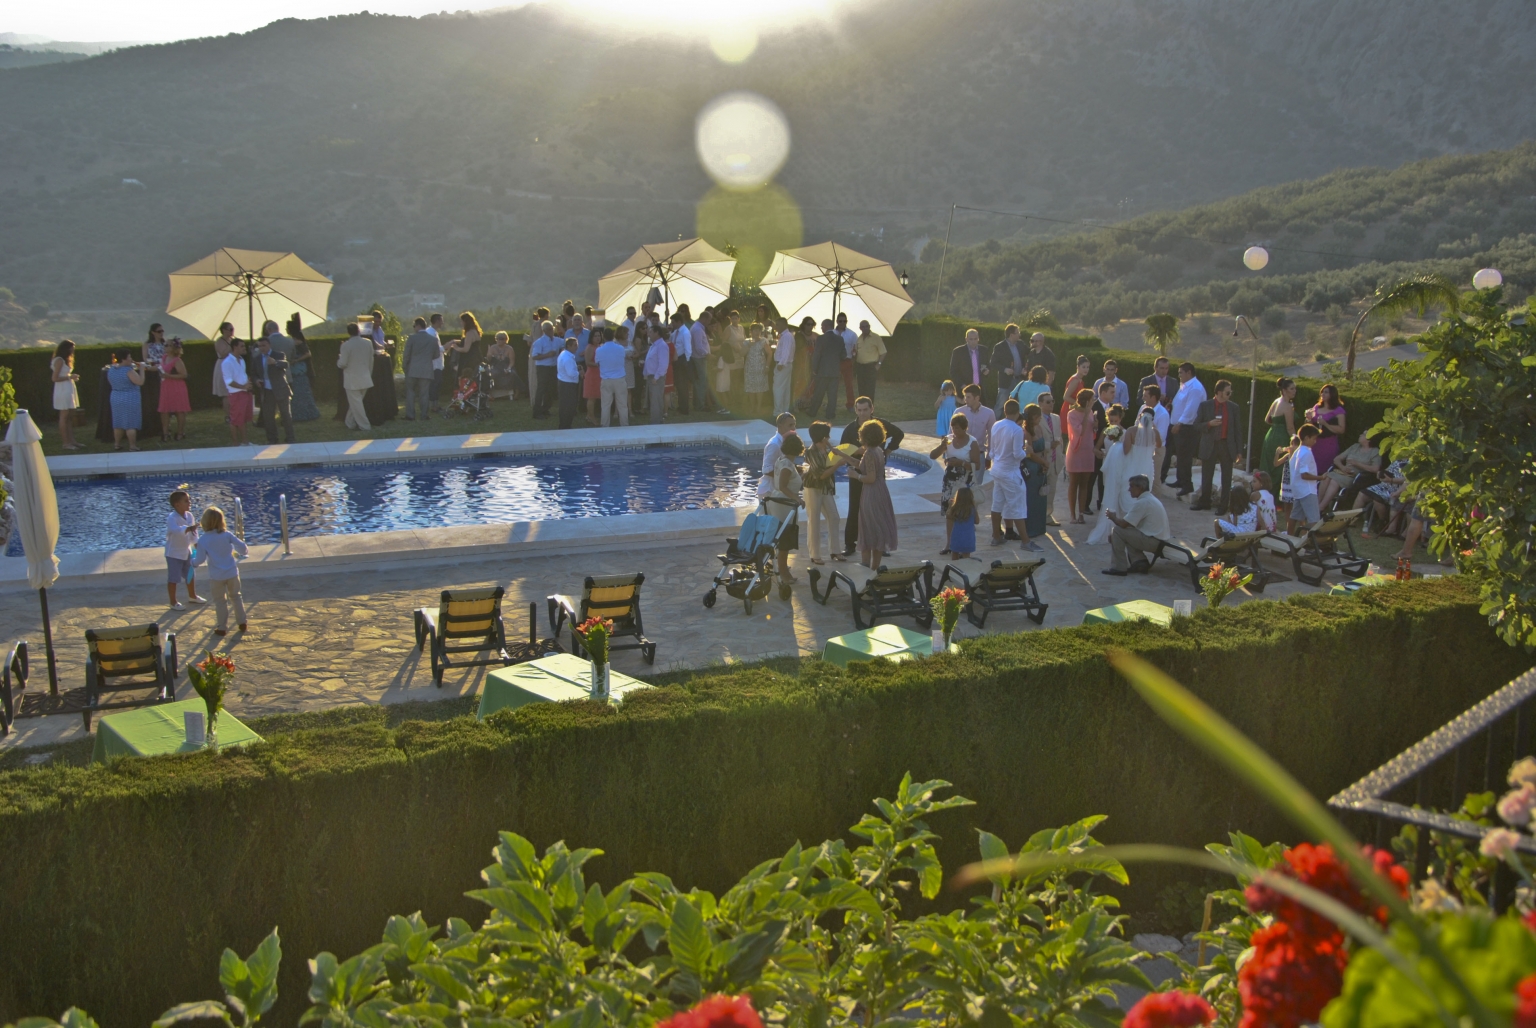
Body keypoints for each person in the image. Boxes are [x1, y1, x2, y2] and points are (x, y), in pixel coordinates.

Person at [839, 397, 904, 556]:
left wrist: (888, 450)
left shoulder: (879, 425)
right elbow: (844, 449)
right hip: (858, 473)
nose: (862, 413)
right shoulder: (850, 429)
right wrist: (858, 453)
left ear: (871, 409)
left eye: (865, 410)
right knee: (855, 507)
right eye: (859, 410)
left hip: (876, 473)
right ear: (856, 410)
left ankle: (880, 545)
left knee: (876, 508)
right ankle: (850, 544)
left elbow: (899, 434)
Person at [846, 419, 899, 567]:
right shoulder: (878, 450)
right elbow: (861, 465)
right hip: (882, 491)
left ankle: (865, 564)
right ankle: (875, 567)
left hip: (871, 493)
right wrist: (842, 455)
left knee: (868, 527)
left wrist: (854, 476)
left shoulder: (869, 453)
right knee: (877, 529)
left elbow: (870, 477)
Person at [930, 411, 982, 554]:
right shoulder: (948, 440)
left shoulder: (972, 442)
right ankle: (949, 544)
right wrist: (942, 447)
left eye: (957, 428)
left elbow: (977, 465)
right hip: (950, 481)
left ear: (965, 428)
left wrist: (960, 463)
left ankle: (964, 543)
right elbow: (932, 456)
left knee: (965, 511)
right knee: (950, 513)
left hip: (965, 481)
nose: (954, 431)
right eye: (953, 428)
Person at [192, 506, 248, 636]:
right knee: (236, 597)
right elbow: (243, 548)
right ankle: (242, 622)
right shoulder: (227, 535)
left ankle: (222, 627)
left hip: (216, 576)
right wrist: (240, 552)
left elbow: (199, 559)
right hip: (232, 573)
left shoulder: (203, 540)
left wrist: (192, 563)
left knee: (220, 602)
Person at [1101, 476, 1170, 575]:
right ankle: (1139, 562)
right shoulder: (1149, 498)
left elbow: (1123, 524)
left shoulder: (1142, 502)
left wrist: (1113, 517)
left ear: (1140, 488)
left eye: (1131, 486)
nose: (1129, 490)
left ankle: (1119, 567)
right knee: (1126, 533)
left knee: (1117, 531)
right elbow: (1130, 524)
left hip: (1154, 542)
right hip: (1159, 540)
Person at [1191, 379, 1241, 513]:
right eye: (1227, 392)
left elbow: (1237, 430)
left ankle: (1223, 506)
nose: (1230, 394)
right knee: (1206, 475)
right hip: (1209, 444)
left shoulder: (1233, 407)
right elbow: (1196, 425)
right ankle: (1204, 502)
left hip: (1226, 445)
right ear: (1219, 392)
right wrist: (1209, 424)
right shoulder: (1205, 406)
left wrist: (1239, 451)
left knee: (1226, 477)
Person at [802, 421, 847, 566]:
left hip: (825, 488)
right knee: (814, 520)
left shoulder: (826, 450)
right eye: (827, 436)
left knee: (834, 516)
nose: (829, 438)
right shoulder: (811, 452)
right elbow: (820, 475)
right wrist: (837, 465)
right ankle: (814, 554)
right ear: (822, 438)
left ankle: (835, 550)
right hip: (813, 488)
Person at [987, 398, 1029, 545]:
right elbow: (1017, 454)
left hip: (997, 468)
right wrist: (1027, 452)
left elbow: (992, 449)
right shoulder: (1017, 430)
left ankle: (996, 537)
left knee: (997, 504)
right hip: (1010, 471)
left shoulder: (996, 425)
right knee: (1017, 506)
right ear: (1017, 413)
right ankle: (1026, 541)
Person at [766, 432, 805, 583]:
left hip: (777, 502)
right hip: (784, 504)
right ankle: (784, 574)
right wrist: (797, 498)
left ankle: (781, 568)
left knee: (779, 537)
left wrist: (801, 477)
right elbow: (783, 486)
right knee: (784, 539)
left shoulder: (782, 460)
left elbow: (787, 483)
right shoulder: (788, 466)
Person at [1086, 404, 1127, 545]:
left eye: (1115, 421)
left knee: (1120, 492)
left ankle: (1119, 522)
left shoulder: (1125, 432)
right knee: (1108, 491)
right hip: (1108, 464)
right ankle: (1108, 521)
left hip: (1120, 466)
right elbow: (1096, 448)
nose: (1113, 424)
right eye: (1111, 421)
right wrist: (1100, 453)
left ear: (1120, 419)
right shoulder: (1105, 431)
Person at [1318, 428, 1380, 512]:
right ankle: (1317, 504)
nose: (1360, 435)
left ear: (1369, 439)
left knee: (1334, 480)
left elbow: (1375, 469)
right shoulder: (1355, 446)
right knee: (1325, 477)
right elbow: (1337, 459)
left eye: (1363, 434)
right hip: (1343, 472)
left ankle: (1321, 507)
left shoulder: (1375, 452)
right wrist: (1343, 467)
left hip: (1356, 478)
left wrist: (1357, 464)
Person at [1140, 356, 1180, 485]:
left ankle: (1162, 475)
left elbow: (1177, 401)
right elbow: (1138, 400)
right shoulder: (1146, 380)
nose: (1164, 371)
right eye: (1162, 368)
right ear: (1155, 368)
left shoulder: (1173, 382)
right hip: (1149, 423)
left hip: (1167, 418)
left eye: (1167, 368)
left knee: (1165, 447)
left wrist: (1168, 400)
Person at [1169, 362, 1207, 497]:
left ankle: (1187, 485)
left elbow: (1191, 409)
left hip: (1187, 428)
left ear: (1189, 373)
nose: (1179, 375)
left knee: (1185, 456)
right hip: (1180, 425)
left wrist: (1180, 423)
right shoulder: (1185, 385)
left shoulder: (1195, 388)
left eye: (1181, 373)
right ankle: (1180, 480)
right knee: (1180, 455)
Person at [164, 489, 205, 609]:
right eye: (186, 501)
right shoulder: (172, 518)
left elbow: (194, 535)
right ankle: (173, 602)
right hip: (174, 553)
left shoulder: (190, 516)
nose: (189, 503)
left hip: (187, 551)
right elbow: (175, 531)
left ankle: (192, 596)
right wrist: (188, 528)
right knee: (174, 578)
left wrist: (199, 549)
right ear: (177, 504)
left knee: (190, 574)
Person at [254, 335, 295, 444]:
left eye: (264, 345)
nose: (262, 348)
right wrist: (257, 380)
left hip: (280, 389)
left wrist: (275, 362)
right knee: (268, 417)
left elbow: (286, 364)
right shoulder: (257, 358)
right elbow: (254, 374)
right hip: (267, 391)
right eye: (260, 346)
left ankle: (290, 438)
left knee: (285, 415)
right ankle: (272, 439)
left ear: (269, 345)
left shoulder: (278, 354)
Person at [1064, 388, 1096, 524]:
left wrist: (1095, 424)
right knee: (1073, 483)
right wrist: (1087, 413)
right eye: (1092, 399)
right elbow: (1080, 432)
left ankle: (1081, 513)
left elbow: (1091, 431)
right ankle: (1072, 515)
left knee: (1085, 484)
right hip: (1075, 451)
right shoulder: (1072, 414)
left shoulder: (1091, 414)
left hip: (1088, 451)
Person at [1260, 378, 1298, 492]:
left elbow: (1267, 419)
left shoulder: (1276, 401)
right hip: (1282, 437)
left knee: (1269, 464)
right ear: (1284, 390)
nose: (1295, 391)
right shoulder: (1287, 406)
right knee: (1279, 467)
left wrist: (1276, 424)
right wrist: (1297, 441)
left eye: (1295, 388)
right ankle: (1275, 498)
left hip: (1270, 435)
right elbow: (1290, 427)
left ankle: (1263, 492)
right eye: (1292, 388)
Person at [337, 322, 375, 431]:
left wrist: (339, 358)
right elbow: (370, 360)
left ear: (348, 333)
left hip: (352, 380)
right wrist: (369, 374)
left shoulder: (346, 345)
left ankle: (365, 426)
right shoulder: (368, 343)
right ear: (359, 330)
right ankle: (349, 423)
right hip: (365, 377)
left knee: (356, 404)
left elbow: (342, 364)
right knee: (356, 403)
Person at [1021, 403, 1050, 544]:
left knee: (1041, 497)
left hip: (1041, 465)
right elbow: (1030, 453)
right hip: (1031, 466)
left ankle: (1040, 527)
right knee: (1031, 497)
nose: (1039, 419)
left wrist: (1045, 461)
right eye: (1037, 417)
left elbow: (1043, 447)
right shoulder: (1025, 432)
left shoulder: (1039, 428)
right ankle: (1030, 528)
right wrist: (1043, 462)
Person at [402, 317, 440, 420]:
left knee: (410, 393)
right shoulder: (433, 340)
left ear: (418, 326)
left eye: (414, 326)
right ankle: (424, 415)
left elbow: (406, 355)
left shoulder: (412, 338)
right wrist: (427, 358)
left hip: (412, 369)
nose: (414, 328)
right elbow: (437, 355)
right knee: (424, 393)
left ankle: (410, 415)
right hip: (426, 369)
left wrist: (405, 367)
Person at [106, 350, 145, 451]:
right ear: (124, 359)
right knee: (130, 423)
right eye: (129, 357)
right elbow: (140, 382)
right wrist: (142, 369)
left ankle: (117, 444)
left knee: (118, 422)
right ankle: (132, 446)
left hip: (115, 397)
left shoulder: (111, 369)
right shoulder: (128, 371)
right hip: (129, 397)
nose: (131, 359)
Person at [1288, 424, 1324, 529]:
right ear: (1306, 438)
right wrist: (1321, 478)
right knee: (1314, 519)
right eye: (1314, 439)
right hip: (1307, 490)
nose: (1315, 441)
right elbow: (1304, 475)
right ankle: (1315, 542)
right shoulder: (1306, 453)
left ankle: (1289, 538)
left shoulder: (1297, 452)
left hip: (1298, 490)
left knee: (1294, 517)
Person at [809, 319, 844, 421]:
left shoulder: (821, 338)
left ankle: (813, 412)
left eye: (822, 326)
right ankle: (830, 414)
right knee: (832, 394)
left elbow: (817, 355)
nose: (821, 328)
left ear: (825, 326)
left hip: (822, 370)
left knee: (819, 392)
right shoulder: (839, 339)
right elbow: (843, 355)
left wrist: (814, 368)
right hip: (835, 370)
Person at [1306, 384, 1347, 473]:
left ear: (1332, 394)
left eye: (1326, 392)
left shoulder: (1338, 410)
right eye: (1322, 392)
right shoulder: (1317, 407)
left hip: (1328, 443)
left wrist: (1325, 424)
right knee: (1312, 468)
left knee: (1325, 469)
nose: (1323, 394)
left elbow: (1341, 429)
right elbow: (1308, 426)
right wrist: (1308, 418)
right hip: (1315, 442)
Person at [157, 339, 192, 441]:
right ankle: (165, 433)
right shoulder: (164, 358)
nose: (165, 347)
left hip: (177, 387)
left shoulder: (177, 361)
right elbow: (159, 368)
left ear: (174, 348)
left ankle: (180, 432)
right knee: (164, 410)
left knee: (179, 410)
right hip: (165, 386)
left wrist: (168, 375)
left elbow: (184, 375)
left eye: (168, 345)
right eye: (165, 345)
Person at [51, 339, 82, 450]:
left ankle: (72, 441)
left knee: (69, 416)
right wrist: (70, 377)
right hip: (62, 390)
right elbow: (55, 378)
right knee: (64, 417)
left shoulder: (66, 360)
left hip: (69, 388)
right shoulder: (59, 360)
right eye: (71, 349)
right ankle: (66, 443)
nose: (73, 351)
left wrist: (71, 377)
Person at [1038, 390, 1063, 526]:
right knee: (1040, 490)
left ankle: (1048, 516)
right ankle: (1038, 515)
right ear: (1040, 403)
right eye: (1048, 402)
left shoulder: (1056, 418)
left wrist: (1060, 455)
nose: (1051, 404)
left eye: (1052, 401)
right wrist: (1048, 445)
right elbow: (1033, 440)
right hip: (1042, 460)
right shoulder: (1036, 418)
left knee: (1051, 490)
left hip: (1055, 461)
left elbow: (1059, 438)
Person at [222, 339, 254, 445]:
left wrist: (247, 384)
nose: (244, 348)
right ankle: (236, 444)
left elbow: (241, 375)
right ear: (235, 347)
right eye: (242, 346)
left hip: (245, 392)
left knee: (243, 418)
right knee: (235, 419)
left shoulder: (241, 360)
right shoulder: (227, 362)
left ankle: (245, 442)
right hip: (236, 394)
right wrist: (243, 387)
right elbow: (229, 381)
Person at [1138, 384, 1169, 491]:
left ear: (1153, 398)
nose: (1143, 398)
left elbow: (1161, 437)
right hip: (1141, 448)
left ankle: (1154, 505)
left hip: (1156, 450)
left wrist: (1151, 425)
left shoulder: (1163, 414)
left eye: (1145, 396)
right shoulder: (1142, 408)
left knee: (1154, 479)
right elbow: (1136, 425)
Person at [596, 327, 630, 426]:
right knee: (622, 404)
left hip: (606, 379)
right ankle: (624, 425)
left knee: (605, 405)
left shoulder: (599, 350)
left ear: (603, 337)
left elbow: (598, 363)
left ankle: (605, 425)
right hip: (619, 378)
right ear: (613, 335)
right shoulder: (620, 348)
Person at [989, 323, 1026, 412]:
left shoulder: (1020, 344)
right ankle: (995, 424)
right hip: (1006, 382)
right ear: (1011, 335)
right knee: (1000, 405)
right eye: (1017, 333)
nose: (1019, 334)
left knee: (1018, 405)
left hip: (1019, 380)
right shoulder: (1000, 346)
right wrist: (1005, 369)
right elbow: (993, 363)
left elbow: (1029, 353)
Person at [288, 324, 320, 422]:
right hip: (297, 371)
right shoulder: (296, 341)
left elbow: (308, 354)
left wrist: (297, 360)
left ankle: (302, 414)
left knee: (300, 393)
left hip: (299, 370)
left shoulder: (298, 342)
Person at [761, 411, 798, 497]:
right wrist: (787, 476)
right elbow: (766, 469)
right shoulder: (774, 444)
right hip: (769, 491)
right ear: (780, 427)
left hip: (779, 491)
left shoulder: (787, 442)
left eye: (794, 425)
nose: (793, 428)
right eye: (790, 425)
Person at [948, 328, 990, 401]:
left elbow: (988, 364)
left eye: (975, 339)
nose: (973, 341)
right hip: (964, 388)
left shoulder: (984, 350)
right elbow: (953, 371)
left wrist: (987, 370)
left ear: (978, 339)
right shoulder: (958, 352)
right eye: (971, 339)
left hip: (980, 388)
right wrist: (962, 385)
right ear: (966, 339)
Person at [531, 319, 561, 419]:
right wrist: (547, 355)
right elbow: (535, 356)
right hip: (543, 368)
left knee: (550, 389)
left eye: (552, 329)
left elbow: (566, 342)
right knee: (541, 389)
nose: (551, 331)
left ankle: (546, 409)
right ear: (544, 330)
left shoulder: (556, 340)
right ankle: (537, 411)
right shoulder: (539, 342)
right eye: (549, 329)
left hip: (553, 367)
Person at [643, 323, 670, 425]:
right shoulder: (653, 345)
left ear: (656, 333)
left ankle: (656, 422)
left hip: (656, 377)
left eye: (650, 332)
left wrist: (656, 377)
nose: (648, 334)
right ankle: (656, 420)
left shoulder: (662, 346)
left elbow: (663, 364)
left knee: (656, 401)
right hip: (651, 376)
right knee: (653, 400)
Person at [852, 319, 886, 400]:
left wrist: (878, 364)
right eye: (863, 327)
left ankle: (869, 411)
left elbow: (883, 352)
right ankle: (862, 409)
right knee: (861, 389)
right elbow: (856, 352)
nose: (865, 328)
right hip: (860, 367)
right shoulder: (859, 339)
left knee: (870, 390)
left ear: (869, 326)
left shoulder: (876, 337)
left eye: (867, 326)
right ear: (860, 328)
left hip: (871, 367)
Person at [743, 323, 771, 414]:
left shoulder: (764, 341)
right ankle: (752, 406)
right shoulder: (746, 341)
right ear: (751, 332)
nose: (757, 332)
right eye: (754, 330)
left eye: (758, 330)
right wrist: (749, 345)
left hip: (760, 367)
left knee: (759, 388)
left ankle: (758, 406)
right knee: (750, 387)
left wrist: (767, 366)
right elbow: (741, 353)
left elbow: (770, 353)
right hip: (749, 367)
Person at [834, 311, 858, 411]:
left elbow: (855, 349)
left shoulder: (852, 334)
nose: (842, 323)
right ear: (837, 321)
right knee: (833, 384)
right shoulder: (832, 333)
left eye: (844, 321)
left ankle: (850, 405)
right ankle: (832, 404)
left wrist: (853, 356)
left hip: (847, 361)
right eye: (840, 321)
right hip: (834, 361)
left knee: (849, 384)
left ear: (846, 322)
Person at [772, 317, 796, 416]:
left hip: (783, 364)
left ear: (783, 325)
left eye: (777, 324)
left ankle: (778, 411)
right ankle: (785, 410)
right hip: (787, 364)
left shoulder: (786, 336)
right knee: (785, 388)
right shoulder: (786, 336)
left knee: (777, 388)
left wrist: (781, 363)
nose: (776, 327)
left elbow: (786, 351)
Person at [486, 331, 520, 400]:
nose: (499, 340)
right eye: (497, 338)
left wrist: (508, 368)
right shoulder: (492, 347)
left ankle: (516, 392)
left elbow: (512, 362)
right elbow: (488, 361)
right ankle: (490, 394)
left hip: (506, 366)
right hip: (495, 366)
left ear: (505, 340)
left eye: (501, 338)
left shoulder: (509, 349)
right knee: (491, 374)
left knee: (513, 374)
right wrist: (489, 356)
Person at [211, 322, 235, 422]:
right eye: (230, 329)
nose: (232, 331)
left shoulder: (232, 340)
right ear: (224, 330)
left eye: (232, 329)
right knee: (226, 392)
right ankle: (228, 416)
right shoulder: (219, 341)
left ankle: (234, 414)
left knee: (233, 391)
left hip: (232, 366)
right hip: (222, 366)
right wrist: (231, 346)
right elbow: (222, 354)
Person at [556, 336, 581, 429]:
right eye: (575, 345)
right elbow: (571, 373)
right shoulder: (568, 358)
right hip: (568, 385)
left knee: (564, 406)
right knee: (569, 407)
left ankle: (564, 425)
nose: (577, 347)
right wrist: (579, 372)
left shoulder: (563, 354)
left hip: (563, 383)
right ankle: (566, 426)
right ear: (569, 346)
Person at [948, 486, 979, 559]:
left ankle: (954, 569)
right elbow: (977, 521)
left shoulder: (955, 509)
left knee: (954, 555)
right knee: (966, 557)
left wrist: (950, 506)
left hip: (956, 537)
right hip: (968, 537)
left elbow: (948, 517)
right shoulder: (972, 509)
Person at [582, 326, 603, 425]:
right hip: (592, 375)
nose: (598, 338)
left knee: (595, 397)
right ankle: (592, 417)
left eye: (599, 336)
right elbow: (588, 362)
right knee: (591, 397)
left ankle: (589, 416)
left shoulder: (600, 346)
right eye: (595, 336)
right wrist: (599, 364)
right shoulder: (590, 347)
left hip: (599, 375)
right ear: (591, 337)